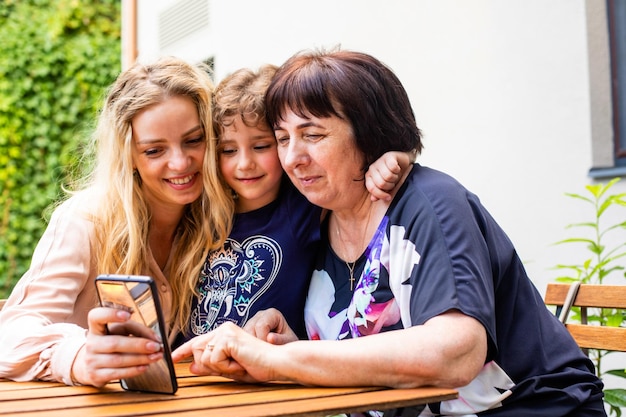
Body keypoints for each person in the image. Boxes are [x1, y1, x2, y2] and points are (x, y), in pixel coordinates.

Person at [173, 49, 606, 416]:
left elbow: (457, 351)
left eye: (313, 135)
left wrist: (280, 358)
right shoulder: (321, 218)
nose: (292, 158)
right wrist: (288, 339)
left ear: (369, 135)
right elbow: (358, 346)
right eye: (283, 138)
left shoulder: (428, 203)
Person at [0, 56, 233, 387]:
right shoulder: (86, 220)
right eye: (154, 151)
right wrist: (77, 357)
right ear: (129, 157)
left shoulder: (217, 218)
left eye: (194, 140)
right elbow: (10, 333)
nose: (180, 162)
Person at [176, 64, 414, 343]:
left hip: (265, 370)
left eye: (261, 146)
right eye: (228, 150)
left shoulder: (301, 206)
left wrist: (398, 157)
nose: (244, 163)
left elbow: (345, 171)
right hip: (192, 369)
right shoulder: (202, 215)